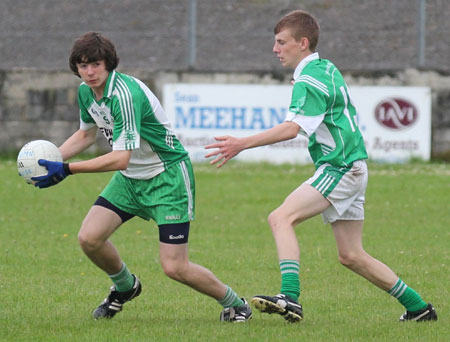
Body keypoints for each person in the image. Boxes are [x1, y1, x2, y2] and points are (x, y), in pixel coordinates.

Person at [205, 10, 437, 323]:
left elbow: (291, 129)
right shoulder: (324, 67)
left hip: (339, 167)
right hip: (353, 166)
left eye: (281, 42)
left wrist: (240, 144)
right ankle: (419, 308)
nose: (275, 49)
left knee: (281, 218)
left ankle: (290, 297)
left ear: (302, 43)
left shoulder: (308, 80)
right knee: (351, 255)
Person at [31, 31, 252, 323]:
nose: (89, 72)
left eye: (95, 64)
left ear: (108, 63)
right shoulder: (86, 91)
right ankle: (125, 287)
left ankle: (236, 304)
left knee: (175, 267)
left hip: (167, 177)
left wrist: (68, 169)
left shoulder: (125, 95)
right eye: (82, 66)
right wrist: (53, 160)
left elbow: (120, 157)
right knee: (89, 238)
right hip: (130, 178)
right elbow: (85, 135)